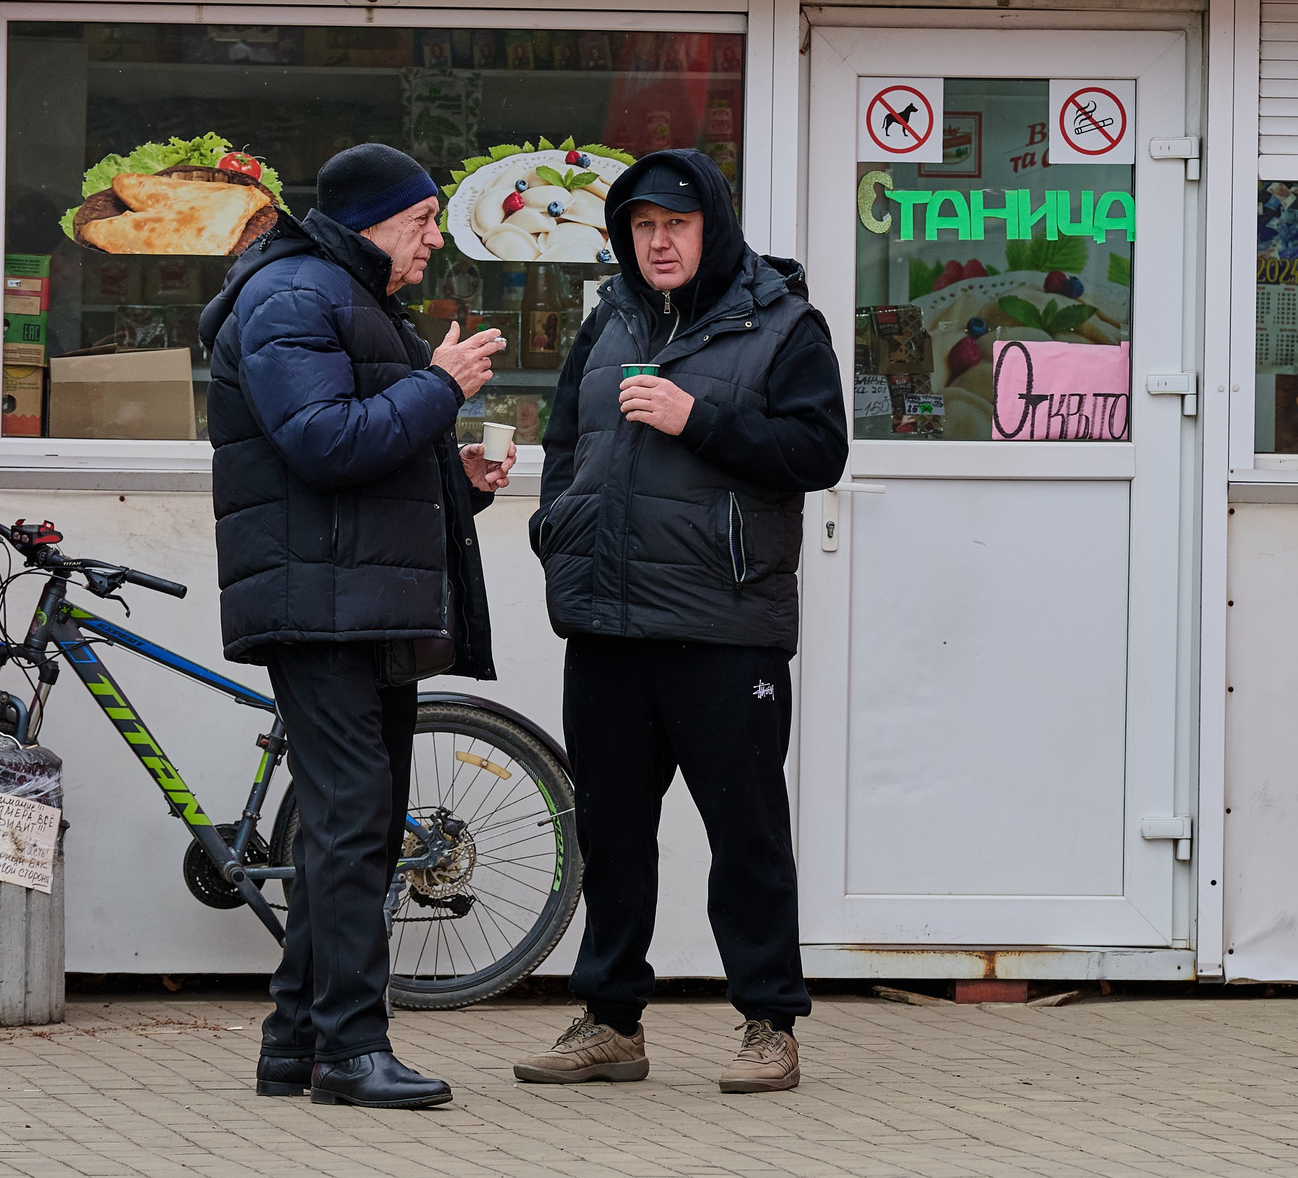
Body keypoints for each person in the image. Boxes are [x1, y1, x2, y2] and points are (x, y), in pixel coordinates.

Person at [513, 149, 847, 1095]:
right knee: (611, 832)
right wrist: (556, 523)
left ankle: (769, 1022)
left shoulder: (784, 323)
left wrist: (696, 416)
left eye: (677, 224)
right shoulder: (609, 318)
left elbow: (819, 452)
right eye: (642, 227)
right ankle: (611, 1021)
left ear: (715, 227)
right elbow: (567, 437)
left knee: (744, 831)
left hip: (723, 621)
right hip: (609, 620)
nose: (658, 243)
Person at [197, 142, 510, 1109]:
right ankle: (351, 1049)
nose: (433, 240)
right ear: (376, 218)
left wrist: (454, 476)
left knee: (359, 826)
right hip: (318, 606)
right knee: (347, 825)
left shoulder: (350, 297)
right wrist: (442, 387)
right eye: (423, 220)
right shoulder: (294, 296)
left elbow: (368, 450)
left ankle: (294, 1045)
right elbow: (325, 442)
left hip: (358, 600)